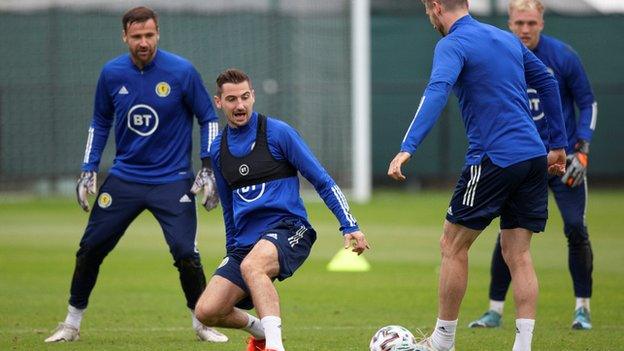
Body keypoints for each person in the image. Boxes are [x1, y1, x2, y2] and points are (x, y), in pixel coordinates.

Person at [387, 0, 568, 350]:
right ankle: (523, 346)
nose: (430, 18)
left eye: (428, 11)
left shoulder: (453, 43)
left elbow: (437, 90)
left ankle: (442, 342)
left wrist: (408, 145)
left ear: (437, 7)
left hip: (494, 157)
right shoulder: (505, 38)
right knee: (519, 254)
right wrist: (557, 143)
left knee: (452, 245)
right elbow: (547, 82)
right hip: (533, 156)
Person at [44, 6, 227, 343]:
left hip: (172, 180)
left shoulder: (182, 71)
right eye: (137, 36)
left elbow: (209, 118)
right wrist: (88, 168)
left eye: (149, 35)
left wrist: (208, 166)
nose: (144, 42)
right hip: (125, 178)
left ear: (158, 33)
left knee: (186, 252)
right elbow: (99, 122)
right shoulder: (111, 73)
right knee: (90, 249)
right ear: (124, 37)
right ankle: (71, 323)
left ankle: (202, 323)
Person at [193, 68, 370, 351]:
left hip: (289, 229)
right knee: (207, 310)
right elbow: (229, 210)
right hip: (246, 244)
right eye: (231, 99)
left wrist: (349, 225)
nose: (240, 105)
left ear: (253, 97)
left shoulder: (278, 133)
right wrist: (232, 252)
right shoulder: (218, 149)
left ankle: (275, 347)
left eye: (245, 97)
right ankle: (262, 331)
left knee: (254, 266)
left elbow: (322, 180)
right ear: (219, 102)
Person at [468, 0, 598, 331]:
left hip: (563, 160)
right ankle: (494, 310)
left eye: (531, 23)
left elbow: (588, 102)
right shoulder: (501, 54)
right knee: (507, 235)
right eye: (519, 23)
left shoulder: (563, 56)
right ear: (509, 23)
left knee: (574, 228)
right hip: (522, 162)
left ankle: (582, 308)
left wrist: (580, 147)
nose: (525, 29)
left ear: (541, 22)